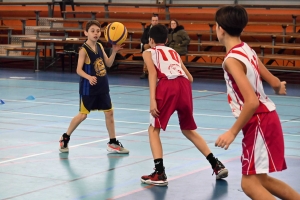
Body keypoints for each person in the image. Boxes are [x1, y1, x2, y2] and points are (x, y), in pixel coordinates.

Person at [214, 5, 300, 200]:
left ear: (220, 28)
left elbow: (251, 102)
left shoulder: (231, 60)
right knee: (261, 179)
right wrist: (278, 86)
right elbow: (273, 81)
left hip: (259, 120)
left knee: (249, 184)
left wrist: (232, 132)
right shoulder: (246, 49)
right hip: (268, 118)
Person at [140, 24, 228, 186]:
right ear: (167, 40)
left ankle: (159, 173)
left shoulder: (148, 52)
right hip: (184, 86)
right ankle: (216, 164)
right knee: (188, 129)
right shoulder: (173, 52)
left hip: (168, 86)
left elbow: (152, 74)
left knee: (153, 129)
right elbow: (190, 78)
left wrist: (152, 99)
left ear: (151, 40)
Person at [59, 20, 129, 154]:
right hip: (88, 88)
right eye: (92, 31)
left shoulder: (100, 47)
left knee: (109, 112)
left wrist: (114, 52)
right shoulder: (83, 50)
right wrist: (89, 77)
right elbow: (78, 70)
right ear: (86, 33)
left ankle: (113, 142)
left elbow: (108, 64)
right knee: (82, 115)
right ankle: (65, 137)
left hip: (102, 85)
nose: (96, 33)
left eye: (98, 31)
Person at [140, 14, 159, 79]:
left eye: (156, 20)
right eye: (153, 20)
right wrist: (147, 42)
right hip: (148, 44)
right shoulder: (147, 29)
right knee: (146, 48)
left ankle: (146, 71)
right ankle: (145, 72)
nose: (155, 22)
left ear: (158, 21)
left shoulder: (161, 29)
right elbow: (142, 39)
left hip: (157, 45)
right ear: (151, 21)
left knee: (148, 52)